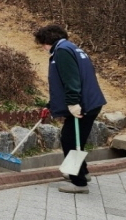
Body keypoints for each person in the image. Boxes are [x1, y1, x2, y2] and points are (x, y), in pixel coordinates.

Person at [34, 24, 106, 194]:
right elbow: (66, 80)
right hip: (91, 101)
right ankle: (83, 173)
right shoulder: (72, 47)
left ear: (47, 40)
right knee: (76, 139)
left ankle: (79, 183)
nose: (42, 47)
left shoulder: (62, 52)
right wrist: (51, 104)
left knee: (69, 140)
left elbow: (71, 80)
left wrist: (73, 103)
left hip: (83, 104)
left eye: (42, 43)